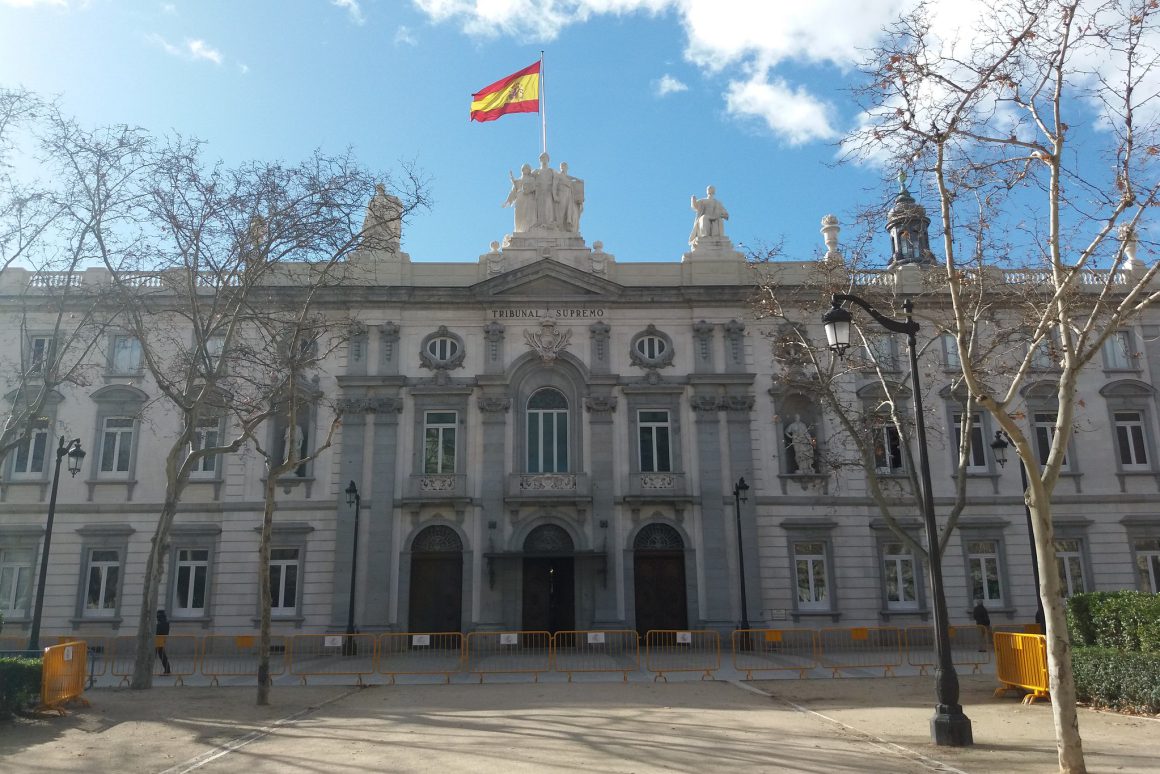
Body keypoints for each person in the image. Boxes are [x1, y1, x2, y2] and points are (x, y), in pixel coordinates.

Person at [155, 609, 171, 675]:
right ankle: (167, 670)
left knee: (152, 656)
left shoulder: (160, 624)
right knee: (162, 655)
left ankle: (147, 670)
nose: (157, 618)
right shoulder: (166, 623)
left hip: (157, 641)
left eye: (157, 616)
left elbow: (157, 632)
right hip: (162, 640)